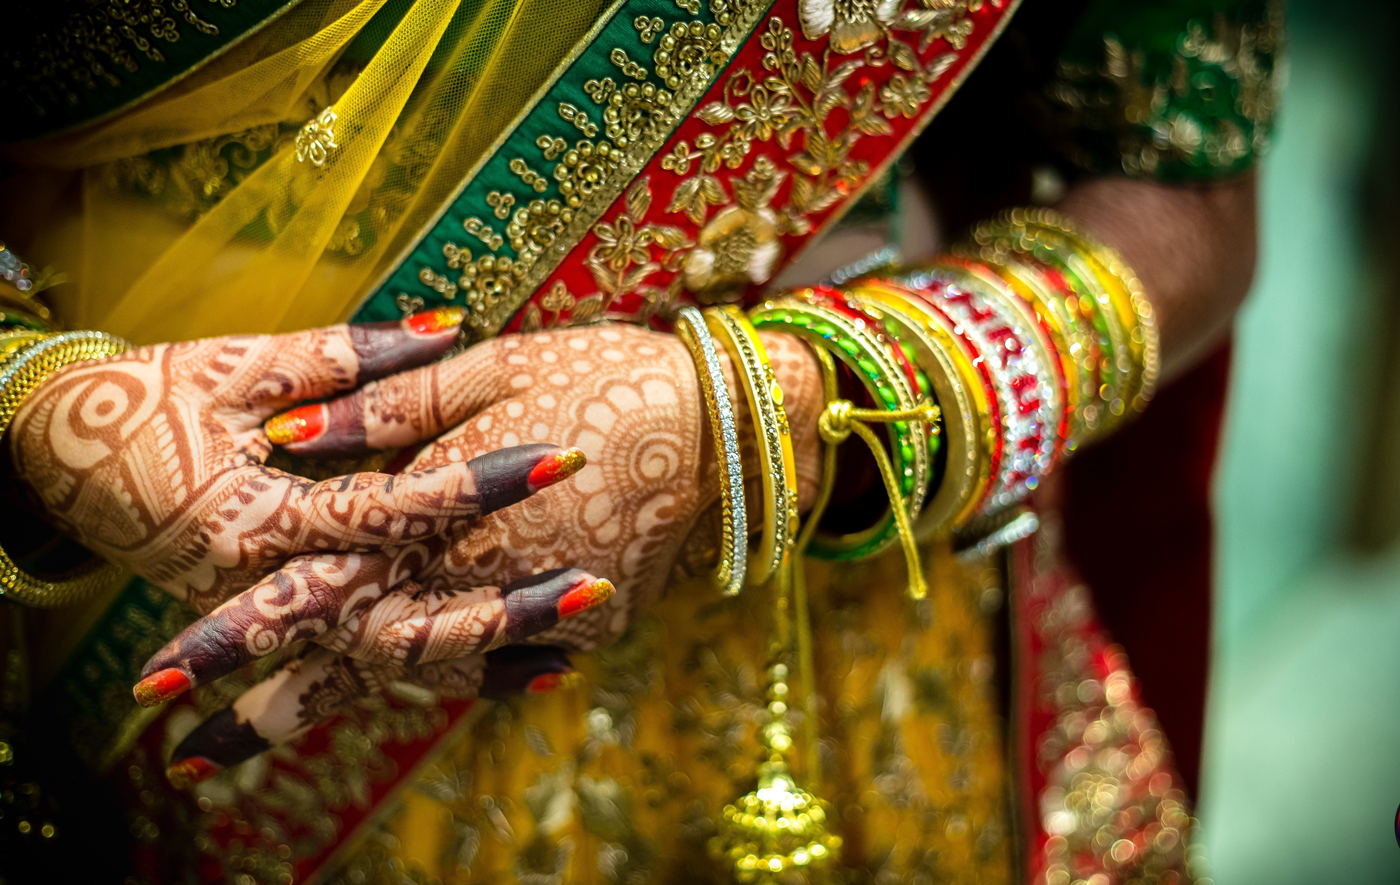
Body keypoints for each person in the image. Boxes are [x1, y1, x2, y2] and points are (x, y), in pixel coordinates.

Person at [0, 0, 1280, 880]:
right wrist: (31, 394)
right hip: (130, 563)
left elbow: (1186, 190)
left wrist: (772, 422)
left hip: (801, 618)